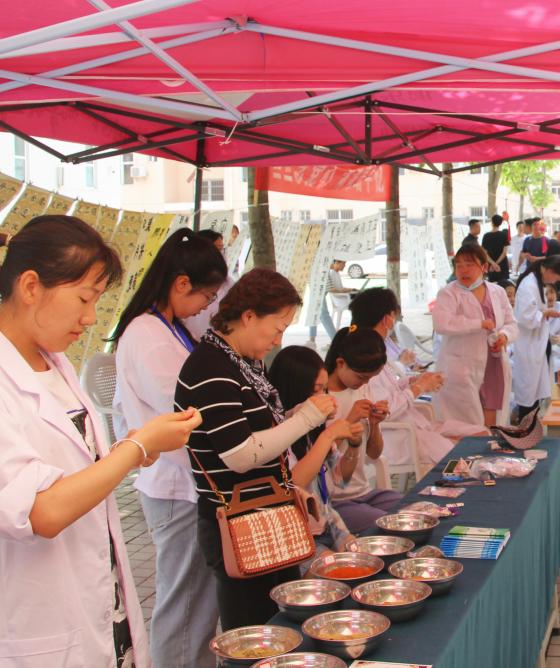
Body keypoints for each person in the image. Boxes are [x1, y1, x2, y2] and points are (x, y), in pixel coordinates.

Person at [0, 215, 202, 667]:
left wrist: (132, 448)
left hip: (99, 601)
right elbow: (41, 510)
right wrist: (134, 450)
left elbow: (71, 471)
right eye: (84, 298)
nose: (90, 318)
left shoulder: (54, 364)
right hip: (37, 623)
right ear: (30, 286)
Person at [177, 268, 337, 630]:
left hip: (268, 509)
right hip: (239, 520)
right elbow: (240, 455)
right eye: (277, 328)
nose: (278, 339)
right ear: (248, 316)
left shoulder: (244, 362)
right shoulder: (210, 368)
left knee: (279, 626)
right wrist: (306, 418)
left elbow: (261, 432)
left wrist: (298, 414)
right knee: (253, 632)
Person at [110, 228, 226, 668]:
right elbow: (185, 409)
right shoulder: (147, 334)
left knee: (197, 606)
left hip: (183, 484)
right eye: (206, 296)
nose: (206, 307)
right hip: (174, 488)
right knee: (184, 607)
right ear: (181, 283)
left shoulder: (171, 328)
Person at [350, 288, 488, 469]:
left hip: (418, 426)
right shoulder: (365, 357)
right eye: (393, 316)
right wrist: (419, 388)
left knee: (481, 435)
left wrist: (412, 382)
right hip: (401, 437)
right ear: (387, 319)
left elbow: (387, 388)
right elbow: (382, 409)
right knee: (466, 459)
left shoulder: (375, 347)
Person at [267, 346, 361, 557]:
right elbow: (293, 486)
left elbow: (341, 479)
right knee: (339, 570)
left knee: (363, 558)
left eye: (325, 390)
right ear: (294, 390)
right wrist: (329, 436)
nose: (324, 398)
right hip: (295, 536)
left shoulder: (315, 430)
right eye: (316, 390)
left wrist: (354, 446)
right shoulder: (276, 434)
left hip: (328, 524)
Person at [322, 327, 402, 533]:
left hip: (364, 492)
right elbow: (318, 459)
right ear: (340, 363)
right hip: (335, 499)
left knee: (416, 510)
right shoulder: (322, 398)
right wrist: (350, 420)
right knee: (389, 525)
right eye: (361, 377)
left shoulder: (362, 389)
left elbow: (374, 453)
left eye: (370, 378)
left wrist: (374, 424)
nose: (365, 383)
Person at [433, 244, 518, 426]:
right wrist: (478, 324)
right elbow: (442, 323)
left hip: (494, 364)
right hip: (461, 367)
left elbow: (511, 323)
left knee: (492, 419)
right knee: (466, 426)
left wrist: (504, 336)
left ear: (484, 267)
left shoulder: (497, 292)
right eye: (459, 265)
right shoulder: (448, 293)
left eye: (469, 264)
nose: (463, 270)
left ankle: (491, 443)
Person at [512, 254, 560, 418]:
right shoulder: (529, 284)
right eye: (556, 278)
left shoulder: (538, 282)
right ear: (550, 270)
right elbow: (525, 317)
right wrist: (545, 313)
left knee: (535, 394)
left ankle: (532, 426)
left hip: (538, 344)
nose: (554, 282)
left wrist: (545, 313)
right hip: (529, 345)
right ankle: (525, 428)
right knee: (528, 395)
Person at [182, 229, 234, 341]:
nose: (221, 254)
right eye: (217, 250)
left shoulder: (229, 283)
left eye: (222, 249)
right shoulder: (189, 280)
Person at [481, 214, 510, 282]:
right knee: (504, 285)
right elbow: (504, 253)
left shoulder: (486, 236)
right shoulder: (504, 235)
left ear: (492, 222)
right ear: (500, 223)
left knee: (492, 285)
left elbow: (484, 253)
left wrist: (493, 264)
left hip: (491, 266)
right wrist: (496, 264)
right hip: (502, 265)